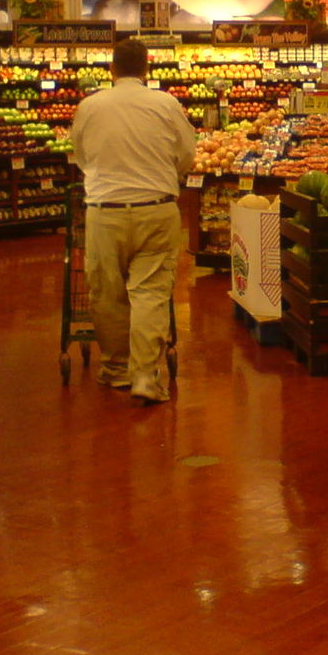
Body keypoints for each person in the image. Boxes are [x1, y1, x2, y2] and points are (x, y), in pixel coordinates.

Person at [71, 38, 196, 404]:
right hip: (156, 208)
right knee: (150, 292)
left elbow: (81, 156)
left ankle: (115, 368)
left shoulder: (90, 106)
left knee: (107, 293)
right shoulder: (165, 104)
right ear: (146, 69)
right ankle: (144, 375)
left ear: (112, 69)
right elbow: (187, 154)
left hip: (104, 210)